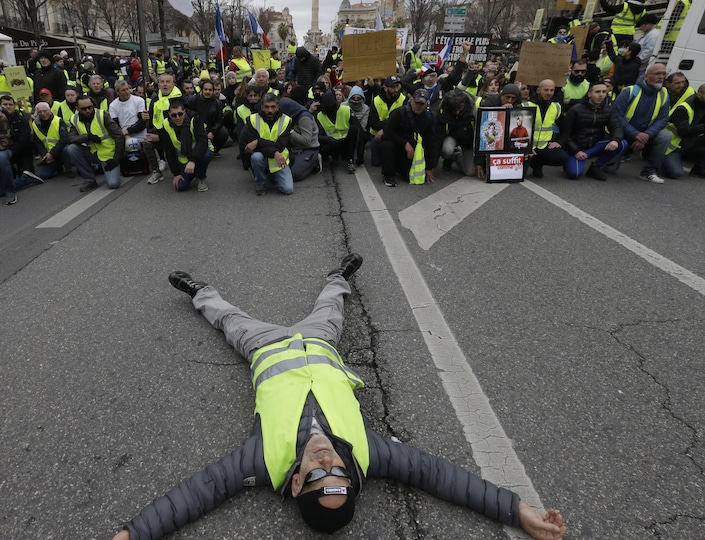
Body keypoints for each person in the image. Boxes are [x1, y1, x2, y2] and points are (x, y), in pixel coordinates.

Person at [106, 253, 567, 540]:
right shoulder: (370, 456)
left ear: (294, 484)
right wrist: (517, 511)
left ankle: (199, 291)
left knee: (227, 318)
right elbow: (440, 476)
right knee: (331, 306)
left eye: (315, 472)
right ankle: (337, 276)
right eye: (338, 472)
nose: (327, 458)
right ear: (351, 477)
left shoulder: (261, 462)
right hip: (318, 344)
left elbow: (197, 494)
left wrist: (129, 535)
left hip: (266, 347)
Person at [612, 63, 670, 184]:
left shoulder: (664, 93)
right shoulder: (630, 91)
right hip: (622, 133)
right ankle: (619, 155)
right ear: (646, 76)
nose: (661, 77)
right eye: (657, 74)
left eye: (664, 74)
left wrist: (646, 135)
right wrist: (635, 134)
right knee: (609, 169)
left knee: (665, 136)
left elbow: (663, 118)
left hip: (645, 135)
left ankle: (649, 172)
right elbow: (616, 115)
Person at [661, 83, 705, 180]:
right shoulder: (683, 108)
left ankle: (700, 168)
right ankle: (655, 157)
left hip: (691, 142)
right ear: (699, 95)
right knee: (675, 173)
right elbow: (684, 132)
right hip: (673, 146)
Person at [561, 82, 627, 180]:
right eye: (597, 92)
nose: (601, 95)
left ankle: (596, 166)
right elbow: (565, 134)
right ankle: (570, 162)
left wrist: (615, 140)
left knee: (622, 143)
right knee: (574, 174)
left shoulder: (608, 109)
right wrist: (576, 151)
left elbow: (617, 127)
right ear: (589, 94)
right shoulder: (575, 109)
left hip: (595, 145)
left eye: (604, 92)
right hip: (577, 147)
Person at [379, 88, 438, 187]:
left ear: (426, 105)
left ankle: (399, 167)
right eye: (417, 102)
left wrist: (429, 167)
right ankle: (388, 175)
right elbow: (388, 133)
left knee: (412, 177)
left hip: (411, 152)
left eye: (422, 104)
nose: (418, 106)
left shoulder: (427, 119)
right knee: (387, 145)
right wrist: (405, 143)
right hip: (396, 146)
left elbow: (429, 143)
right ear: (411, 101)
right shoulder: (399, 113)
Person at [239, 92, 294, 196]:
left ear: (278, 107)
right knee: (256, 157)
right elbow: (252, 147)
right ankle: (261, 182)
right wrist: (274, 152)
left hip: (279, 161)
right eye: (267, 107)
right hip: (266, 156)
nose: (270, 110)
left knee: (288, 189)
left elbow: (281, 145)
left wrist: (258, 142)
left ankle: (272, 176)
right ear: (262, 107)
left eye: (273, 107)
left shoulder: (286, 120)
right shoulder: (252, 119)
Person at [67, 95, 125, 192]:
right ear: (77, 108)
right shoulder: (74, 119)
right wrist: (88, 137)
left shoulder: (103, 115)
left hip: (108, 155)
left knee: (113, 184)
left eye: (90, 107)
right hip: (92, 153)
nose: (88, 110)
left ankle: (118, 167)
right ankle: (90, 180)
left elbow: (119, 136)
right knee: (72, 149)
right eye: (84, 109)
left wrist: (116, 160)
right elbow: (70, 138)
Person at [110, 80, 161, 184]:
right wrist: (125, 135)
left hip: (139, 134)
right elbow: (115, 125)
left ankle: (156, 168)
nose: (127, 92)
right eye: (123, 90)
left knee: (147, 145)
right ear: (117, 92)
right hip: (123, 136)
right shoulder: (113, 105)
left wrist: (128, 131)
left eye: (128, 89)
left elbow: (141, 123)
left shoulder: (138, 101)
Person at [156, 100, 213, 192]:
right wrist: (176, 173)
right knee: (180, 186)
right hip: (183, 158)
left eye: (180, 114)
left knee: (207, 155)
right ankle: (193, 172)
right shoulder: (166, 124)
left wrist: (193, 160)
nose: (177, 118)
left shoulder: (195, 120)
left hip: (200, 153)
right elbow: (169, 150)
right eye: (174, 115)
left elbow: (202, 142)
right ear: (169, 115)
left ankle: (201, 177)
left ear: (184, 112)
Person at [525, 80, 569, 178]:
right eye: (546, 90)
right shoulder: (526, 106)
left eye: (551, 90)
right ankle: (531, 162)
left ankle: (537, 164)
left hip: (544, 147)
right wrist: (525, 148)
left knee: (562, 157)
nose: (549, 93)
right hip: (527, 149)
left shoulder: (556, 107)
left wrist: (559, 142)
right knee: (519, 176)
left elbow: (565, 128)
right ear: (538, 90)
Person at [316, 91, 361, 173]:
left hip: (346, 142)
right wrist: (329, 140)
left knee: (354, 129)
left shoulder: (345, 110)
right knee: (324, 148)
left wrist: (360, 154)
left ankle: (350, 161)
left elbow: (357, 126)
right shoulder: (320, 116)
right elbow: (318, 136)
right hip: (332, 143)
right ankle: (333, 157)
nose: (330, 109)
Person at [280, 93, 321, 181]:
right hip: (294, 149)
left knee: (295, 175)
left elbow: (306, 141)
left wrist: (290, 131)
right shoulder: (292, 116)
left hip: (308, 149)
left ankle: (315, 162)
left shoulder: (304, 118)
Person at [435, 89, 476, 176]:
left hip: (469, 141)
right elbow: (437, 138)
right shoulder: (443, 111)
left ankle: (458, 156)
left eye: (460, 109)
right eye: (453, 110)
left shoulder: (475, 109)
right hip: (451, 137)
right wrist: (431, 166)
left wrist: (479, 162)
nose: (457, 112)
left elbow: (481, 136)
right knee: (447, 150)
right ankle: (449, 158)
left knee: (470, 172)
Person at [184, 80, 229, 156]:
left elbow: (220, 120)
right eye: (205, 89)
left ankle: (214, 151)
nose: (207, 92)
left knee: (223, 133)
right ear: (202, 90)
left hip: (209, 128)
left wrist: (212, 132)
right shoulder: (192, 100)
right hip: (194, 128)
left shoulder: (217, 103)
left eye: (210, 90)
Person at [30, 101, 70, 181]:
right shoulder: (35, 124)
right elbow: (37, 143)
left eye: (45, 111)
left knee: (66, 150)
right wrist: (45, 154)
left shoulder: (58, 121)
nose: (43, 114)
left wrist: (52, 153)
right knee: (43, 175)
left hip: (60, 150)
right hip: (48, 155)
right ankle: (57, 167)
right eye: (40, 112)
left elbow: (64, 139)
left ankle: (68, 170)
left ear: (50, 111)